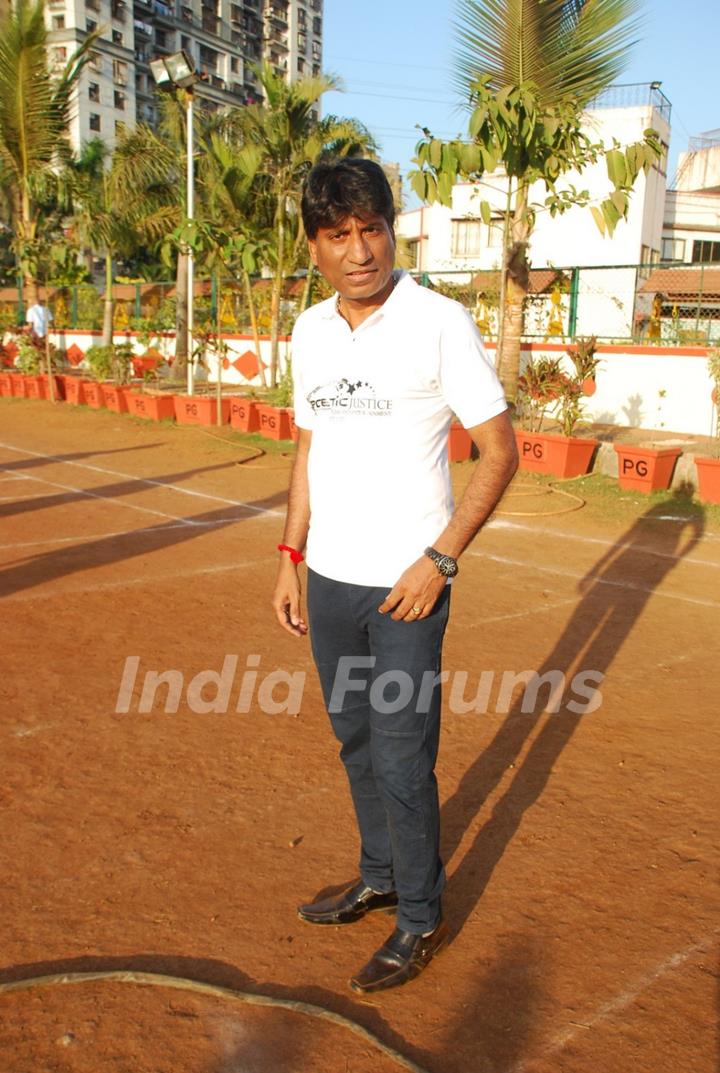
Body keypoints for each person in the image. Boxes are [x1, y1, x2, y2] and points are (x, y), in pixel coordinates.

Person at [272, 158, 518, 994]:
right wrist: (290, 555)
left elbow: (500, 451)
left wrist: (440, 558)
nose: (360, 250)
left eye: (371, 229)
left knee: (405, 757)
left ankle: (420, 914)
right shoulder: (308, 330)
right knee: (357, 741)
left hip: (408, 588)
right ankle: (378, 873)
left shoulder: (438, 321)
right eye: (337, 236)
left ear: (392, 227)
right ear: (315, 246)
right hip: (332, 579)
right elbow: (310, 448)